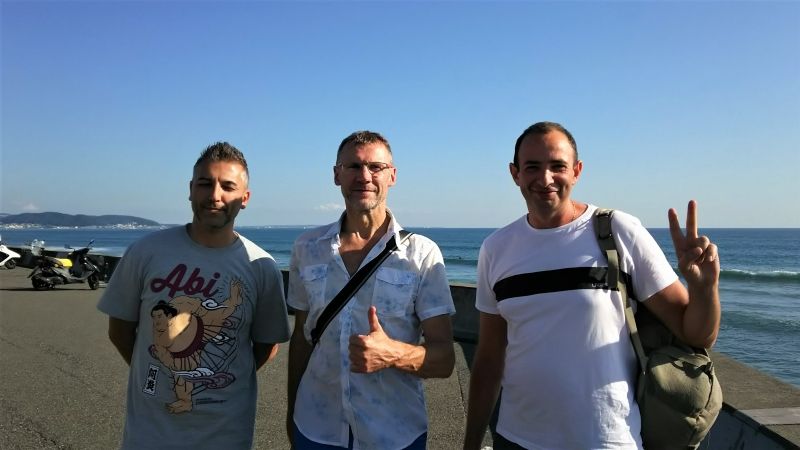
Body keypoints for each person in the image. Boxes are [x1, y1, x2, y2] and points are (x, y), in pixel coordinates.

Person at [464, 122, 721, 450]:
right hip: (517, 439)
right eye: (532, 167)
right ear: (515, 174)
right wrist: (471, 441)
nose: (545, 179)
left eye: (558, 166)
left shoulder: (617, 231)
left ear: (577, 171)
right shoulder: (496, 249)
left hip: (606, 440)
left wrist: (705, 289)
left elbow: (698, 334)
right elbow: (489, 358)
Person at [98, 142, 290, 449]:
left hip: (226, 435)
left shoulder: (261, 266)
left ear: (245, 198)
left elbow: (267, 345)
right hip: (150, 435)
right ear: (190, 189)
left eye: (228, 186)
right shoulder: (146, 252)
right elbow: (119, 331)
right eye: (205, 184)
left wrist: (214, 374)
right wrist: (162, 367)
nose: (214, 195)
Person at [287, 130, 456, 450]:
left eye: (376, 167)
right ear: (337, 175)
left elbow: (445, 358)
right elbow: (301, 339)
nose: (364, 176)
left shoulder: (422, 254)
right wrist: (290, 411)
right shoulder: (307, 248)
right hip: (314, 428)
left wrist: (393, 353)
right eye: (353, 166)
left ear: (392, 176)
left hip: (395, 433)